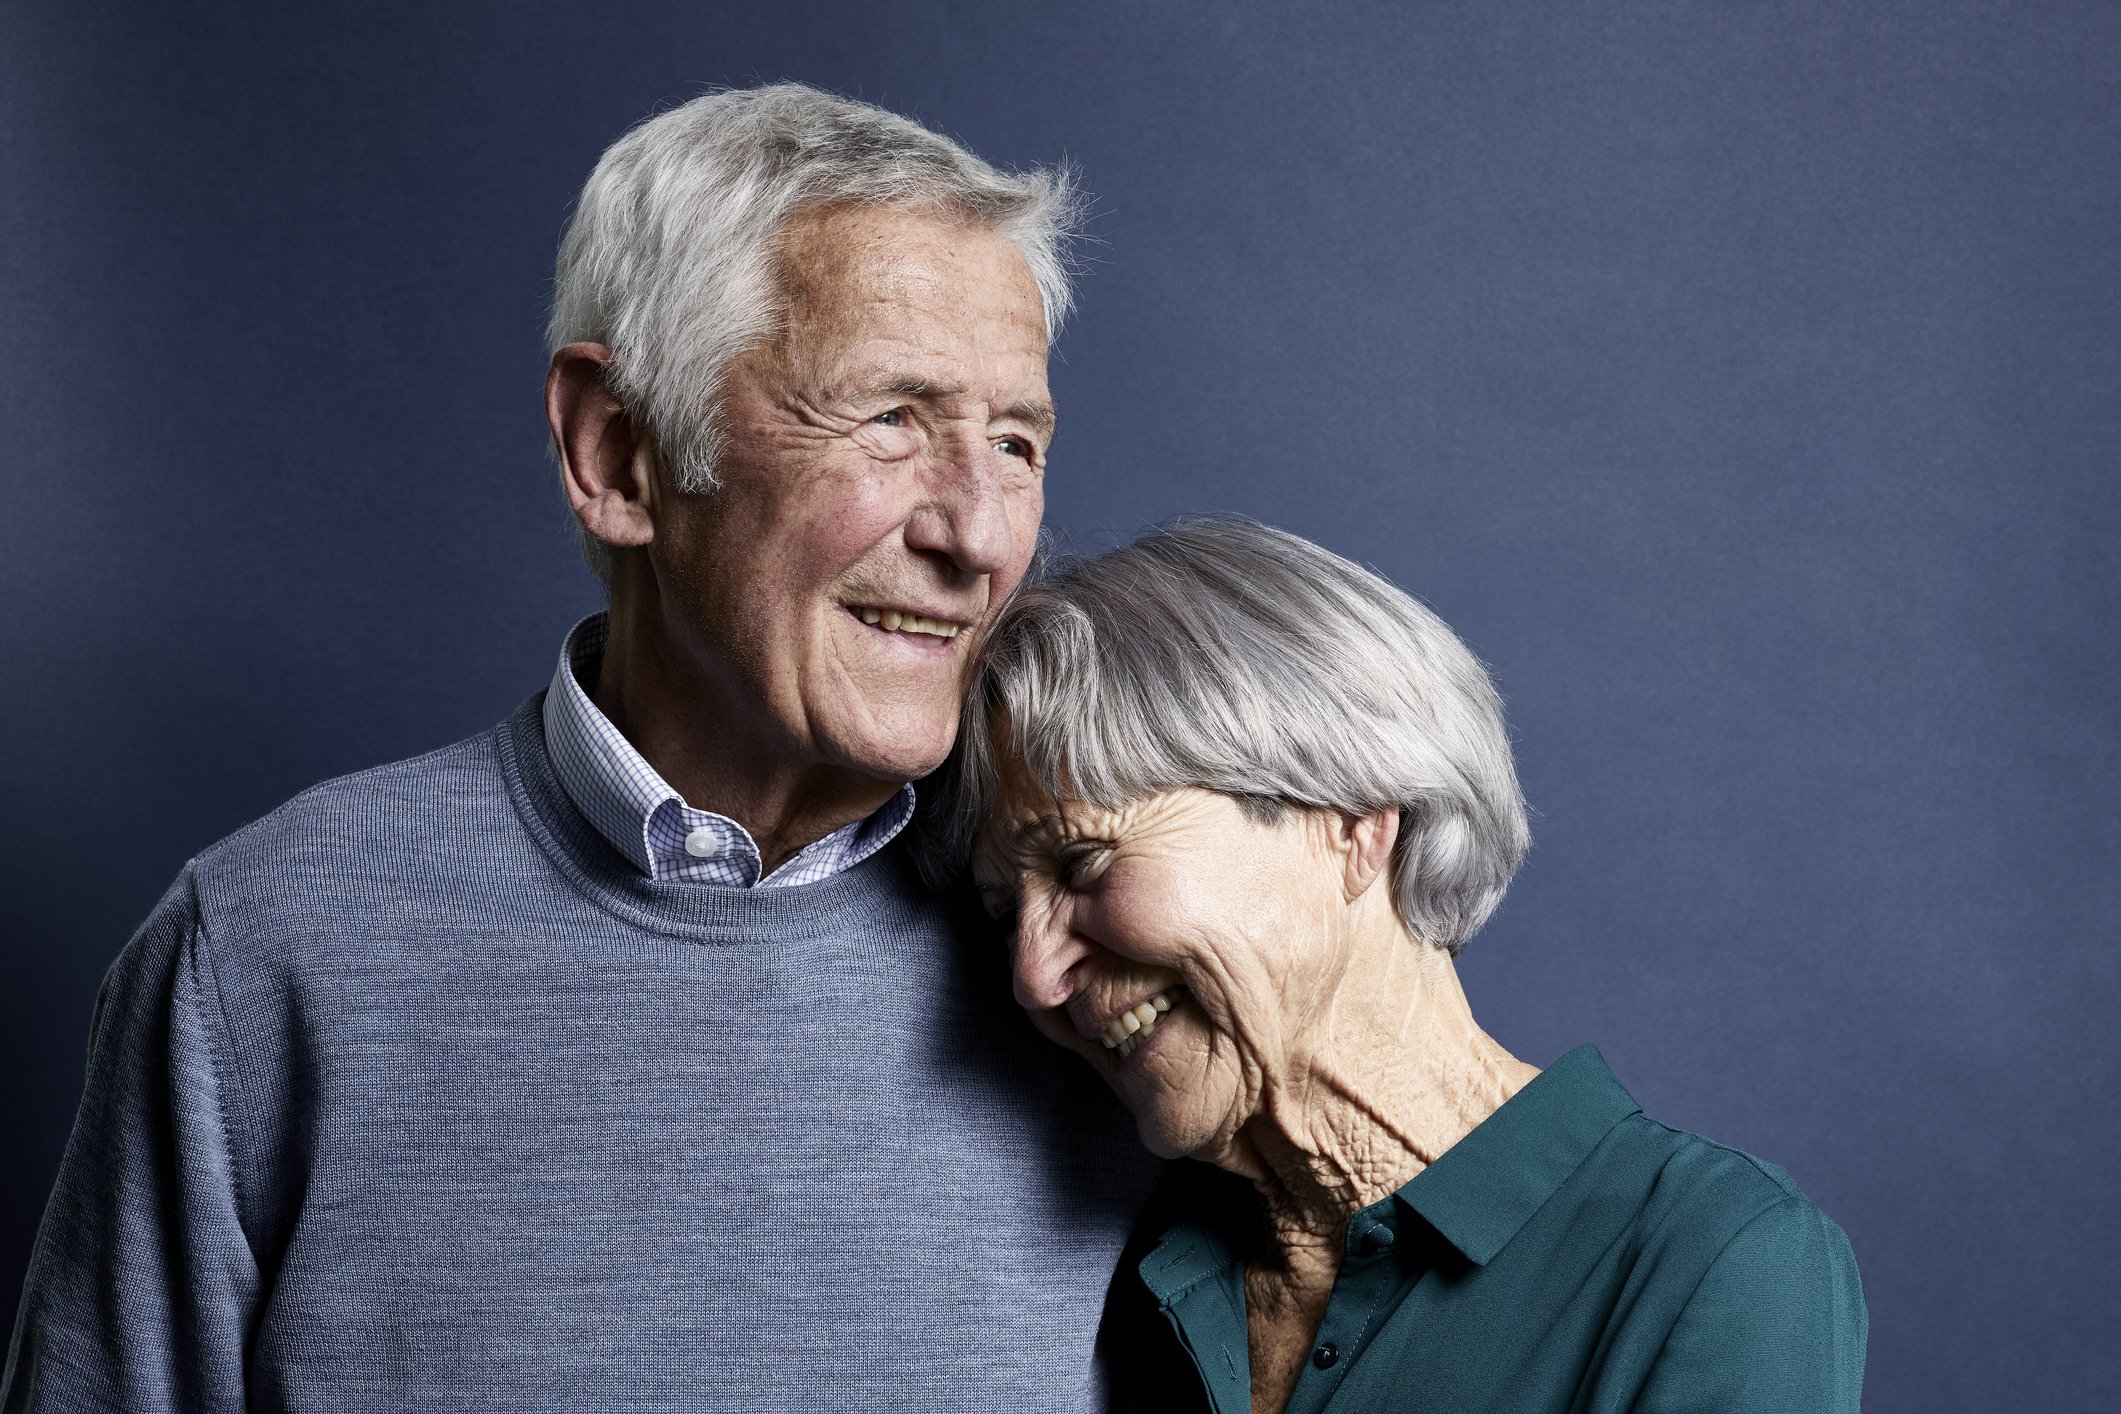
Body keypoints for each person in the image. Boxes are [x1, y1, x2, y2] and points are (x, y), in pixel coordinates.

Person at [2, 85, 1156, 1412]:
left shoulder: (1118, 954)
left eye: (1015, 443)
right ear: (618, 452)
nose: (981, 536)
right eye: (889, 418)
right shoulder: (261, 957)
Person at [930, 516, 1868, 1414]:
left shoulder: (1713, 1261)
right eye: (1009, 911)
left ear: (1352, 821)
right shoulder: (1123, 1270)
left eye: (1083, 862)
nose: (1034, 977)